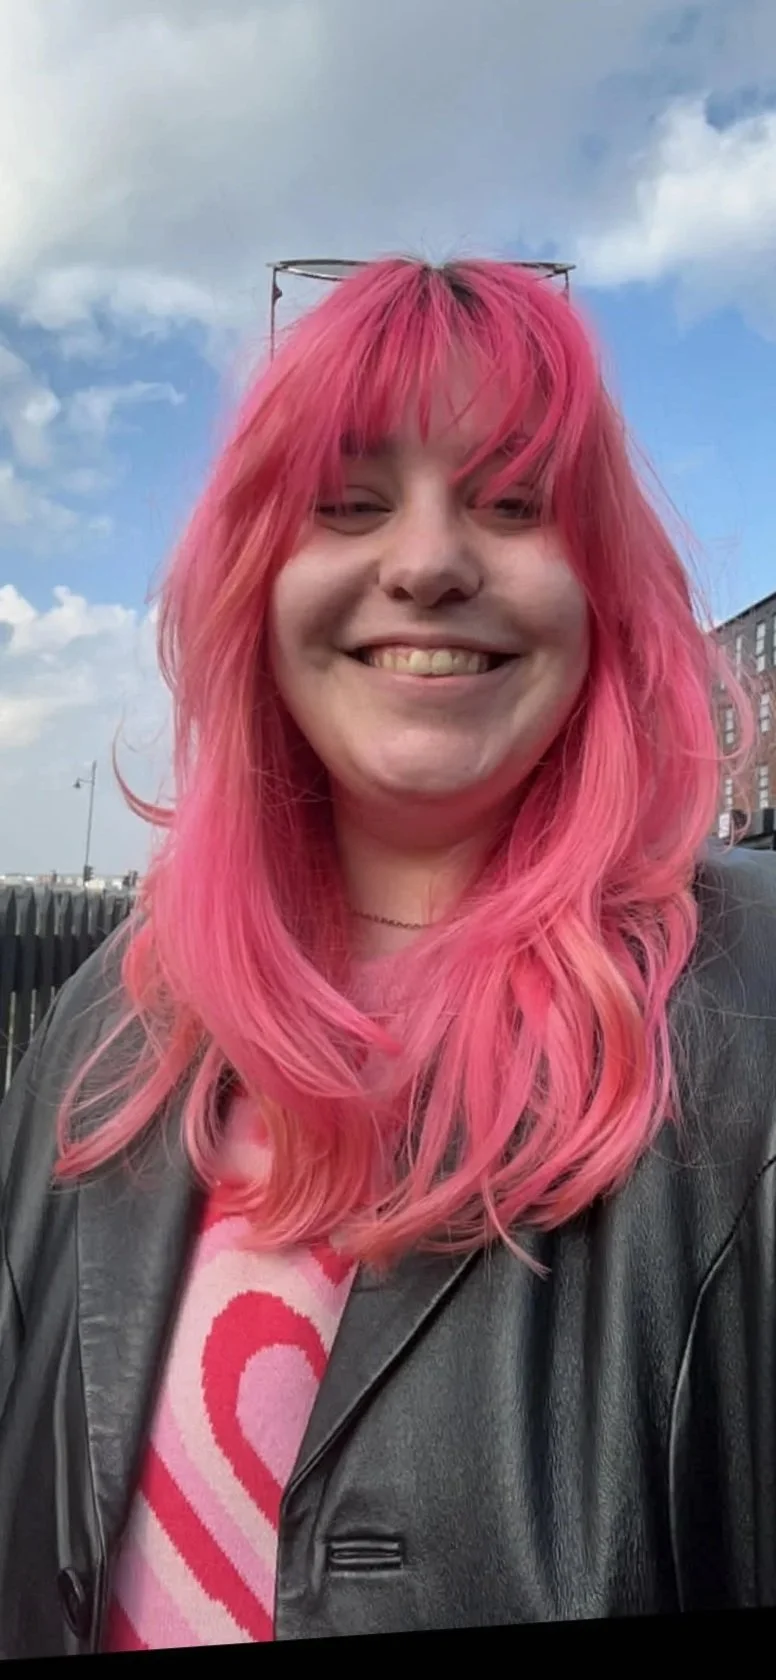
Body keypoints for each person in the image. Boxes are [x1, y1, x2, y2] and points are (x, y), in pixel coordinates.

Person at [0, 255, 774, 1657]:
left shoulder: (758, 1016)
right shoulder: (116, 1016)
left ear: (601, 585)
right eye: (349, 506)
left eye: (514, 501)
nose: (426, 562)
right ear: (255, 582)